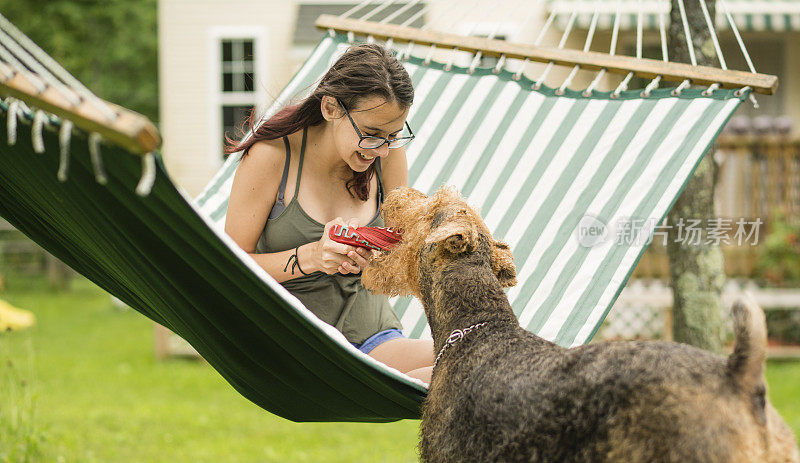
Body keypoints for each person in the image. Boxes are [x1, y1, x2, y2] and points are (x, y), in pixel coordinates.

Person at [224, 43, 433, 384]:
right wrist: (312, 256)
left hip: (374, 339)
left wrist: (378, 262)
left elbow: (403, 257)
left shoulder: (388, 156)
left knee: (480, 359)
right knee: (463, 378)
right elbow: (230, 268)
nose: (380, 149)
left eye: (393, 136)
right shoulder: (271, 157)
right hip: (297, 345)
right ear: (331, 108)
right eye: (371, 134)